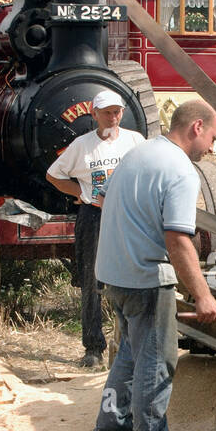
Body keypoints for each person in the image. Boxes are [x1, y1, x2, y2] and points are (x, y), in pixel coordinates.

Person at [92, 99, 216, 431]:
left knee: (130, 353)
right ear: (197, 127)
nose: (212, 149)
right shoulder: (181, 170)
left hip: (114, 273)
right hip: (145, 278)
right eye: (213, 138)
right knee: (157, 361)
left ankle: (111, 430)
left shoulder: (141, 152)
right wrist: (202, 295)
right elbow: (179, 240)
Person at [46, 89, 143, 367]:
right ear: (95, 114)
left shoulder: (135, 141)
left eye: (117, 112)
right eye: (107, 113)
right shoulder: (82, 145)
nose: (113, 117)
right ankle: (93, 348)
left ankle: (129, 342)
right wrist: (79, 193)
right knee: (92, 280)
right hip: (95, 216)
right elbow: (53, 175)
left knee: (132, 277)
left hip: (127, 215)